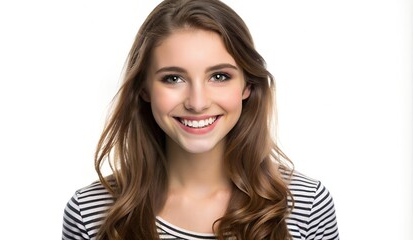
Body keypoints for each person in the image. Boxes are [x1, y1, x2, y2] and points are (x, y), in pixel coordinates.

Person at [62, 0, 339, 239]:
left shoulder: (305, 206)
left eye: (219, 77)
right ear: (144, 89)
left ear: (247, 87)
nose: (197, 102)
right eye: (173, 78)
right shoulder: (90, 212)